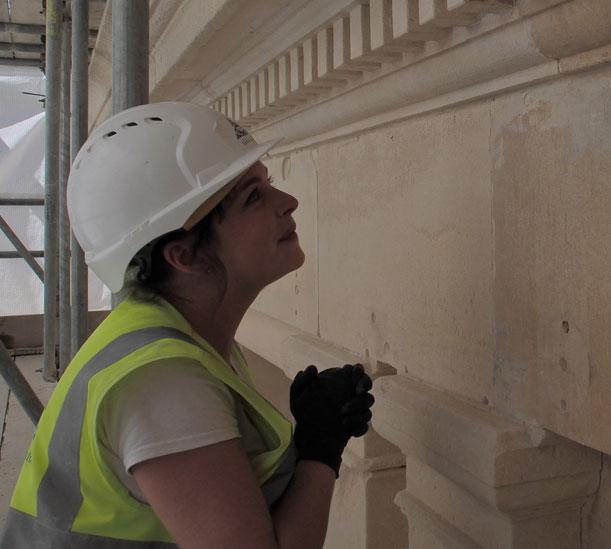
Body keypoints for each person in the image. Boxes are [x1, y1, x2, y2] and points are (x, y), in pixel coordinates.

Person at [0, 102, 374, 548]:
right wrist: (320, 448)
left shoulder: (181, 333)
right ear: (185, 255)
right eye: (253, 196)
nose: (288, 202)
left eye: (267, 183)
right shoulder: (163, 384)